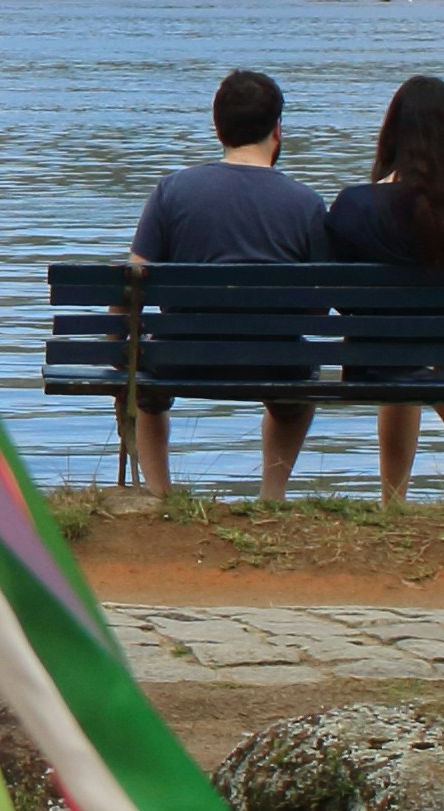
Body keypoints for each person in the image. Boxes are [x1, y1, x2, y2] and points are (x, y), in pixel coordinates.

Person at [121, 67, 330, 499]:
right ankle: (271, 496)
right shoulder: (307, 204)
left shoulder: (171, 192)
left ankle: (159, 494)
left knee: (142, 384)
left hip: (178, 359)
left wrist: (112, 343)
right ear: (277, 130)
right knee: (298, 392)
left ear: (218, 128)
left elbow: (132, 286)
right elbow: (318, 308)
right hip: (277, 363)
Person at [325, 73, 444, 498]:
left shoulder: (355, 206)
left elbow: (337, 298)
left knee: (396, 345)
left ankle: (395, 500)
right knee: (408, 348)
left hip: (374, 359)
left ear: (393, 136)